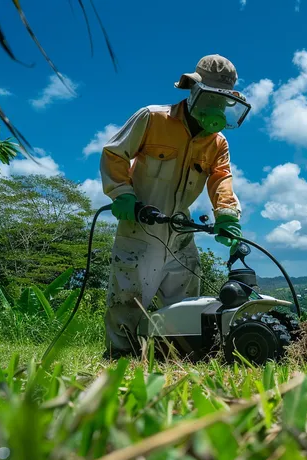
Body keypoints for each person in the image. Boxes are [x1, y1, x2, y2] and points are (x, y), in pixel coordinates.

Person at [100, 54, 251, 358]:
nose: (217, 109)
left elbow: (221, 178)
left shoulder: (217, 142)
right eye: (211, 98)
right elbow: (114, 154)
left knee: (185, 301)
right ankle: (120, 359)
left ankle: (179, 358)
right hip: (140, 223)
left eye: (223, 103)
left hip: (180, 230)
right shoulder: (153, 119)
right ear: (194, 91)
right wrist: (123, 194)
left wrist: (226, 214)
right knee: (129, 299)